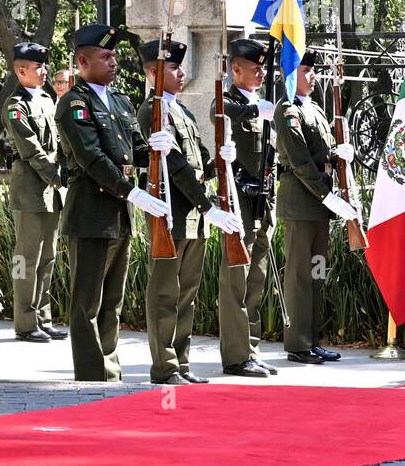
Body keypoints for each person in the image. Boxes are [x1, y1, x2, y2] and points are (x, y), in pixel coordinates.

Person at [55, 23, 168, 381]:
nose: (113, 62)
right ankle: (91, 374)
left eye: (115, 56)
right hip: (91, 211)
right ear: (83, 61)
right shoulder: (74, 103)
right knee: (87, 300)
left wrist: (155, 148)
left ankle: (110, 369)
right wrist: (131, 190)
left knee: (112, 300)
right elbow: (91, 157)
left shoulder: (119, 101)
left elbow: (133, 147)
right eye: (105, 56)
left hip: (120, 213)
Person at [137, 38, 241, 385]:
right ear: (153, 73)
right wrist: (207, 205)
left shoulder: (181, 110)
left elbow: (196, 166)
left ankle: (180, 363)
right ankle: (164, 366)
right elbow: (176, 169)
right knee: (166, 293)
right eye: (174, 68)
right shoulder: (151, 111)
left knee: (187, 296)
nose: (182, 74)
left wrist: (219, 161)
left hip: (194, 217)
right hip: (173, 216)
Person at [273, 50, 360, 364]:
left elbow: (323, 153)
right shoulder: (287, 110)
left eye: (312, 71)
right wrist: (327, 195)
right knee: (299, 275)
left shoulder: (318, 110)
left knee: (317, 273)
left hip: (321, 203)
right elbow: (300, 161)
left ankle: (312, 338)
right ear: (291, 74)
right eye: (305, 71)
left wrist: (342, 153)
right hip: (301, 202)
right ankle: (297, 343)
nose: (312, 76)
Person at [211, 37, 277, 377]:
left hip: (262, 202)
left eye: (263, 67)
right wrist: (254, 110)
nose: (262, 72)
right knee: (235, 280)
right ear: (236, 69)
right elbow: (221, 113)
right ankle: (236, 356)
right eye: (255, 67)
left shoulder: (263, 104)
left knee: (256, 281)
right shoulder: (228, 100)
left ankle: (250, 349)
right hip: (239, 201)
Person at [2, 42, 67, 343]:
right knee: (26, 258)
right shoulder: (16, 106)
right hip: (31, 189)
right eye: (38, 68)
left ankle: (44, 317)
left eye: (44, 66)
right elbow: (32, 150)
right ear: (21, 71)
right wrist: (58, 177)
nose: (44, 72)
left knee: (48, 257)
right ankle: (25, 323)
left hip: (51, 190)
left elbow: (59, 143)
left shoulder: (46, 99)